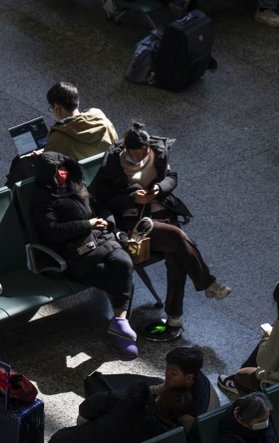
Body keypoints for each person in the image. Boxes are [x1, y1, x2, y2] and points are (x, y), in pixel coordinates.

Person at [90, 122, 230, 334]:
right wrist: (132, 198)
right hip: (137, 221)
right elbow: (102, 200)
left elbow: (171, 177)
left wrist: (159, 188)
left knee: (177, 257)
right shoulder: (112, 165)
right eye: (135, 154)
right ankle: (207, 283)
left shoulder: (157, 154)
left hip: (162, 211)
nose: (139, 158)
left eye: (143, 153)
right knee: (176, 236)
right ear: (126, 150)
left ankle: (175, 317)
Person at [31, 151, 138, 358]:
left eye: (63, 169)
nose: (62, 174)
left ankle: (120, 323)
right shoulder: (42, 198)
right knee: (121, 281)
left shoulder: (76, 185)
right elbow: (52, 231)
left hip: (102, 241)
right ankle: (121, 331)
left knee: (125, 264)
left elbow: (100, 207)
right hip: (77, 256)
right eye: (57, 171)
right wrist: (86, 224)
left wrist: (108, 222)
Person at [26, 380, 193, 443]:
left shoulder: (127, 401)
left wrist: (86, 430)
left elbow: (87, 408)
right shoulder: (162, 442)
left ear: (159, 396)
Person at [220, 279, 279, 395]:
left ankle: (241, 389)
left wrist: (266, 339)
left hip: (278, 385)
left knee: (242, 374)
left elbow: (266, 363)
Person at [43, 81, 117, 161]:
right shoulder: (103, 120)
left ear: (57, 108)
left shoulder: (58, 138)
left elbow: (46, 164)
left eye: (51, 108)